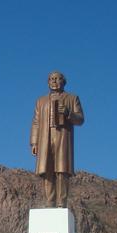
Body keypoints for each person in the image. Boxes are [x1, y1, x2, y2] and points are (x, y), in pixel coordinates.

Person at [30, 71, 85, 208]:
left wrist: (68, 113)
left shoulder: (72, 98)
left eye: (57, 78)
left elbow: (80, 119)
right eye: (51, 79)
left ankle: (61, 202)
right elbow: (36, 122)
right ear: (48, 82)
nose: (54, 81)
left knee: (62, 170)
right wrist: (34, 142)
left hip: (62, 136)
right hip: (45, 137)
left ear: (64, 82)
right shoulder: (40, 101)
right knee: (47, 169)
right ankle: (50, 201)